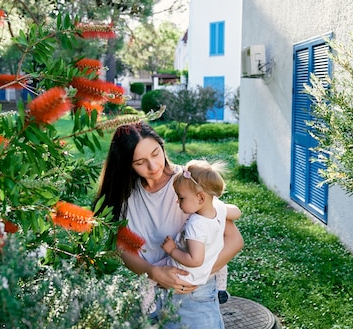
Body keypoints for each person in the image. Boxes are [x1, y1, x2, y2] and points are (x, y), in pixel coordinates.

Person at [93, 121, 244, 328]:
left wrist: (192, 277)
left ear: (162, 147)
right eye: (140, 162)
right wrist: (153, 273)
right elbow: (121, 247)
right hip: (149, 296)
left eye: (156, 154)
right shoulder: (123, 194)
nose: (153, 166)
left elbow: (234, 240)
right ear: (126, 164)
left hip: (192, 295)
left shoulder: (189, 183)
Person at [160, 160, 242, 303]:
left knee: (149, 277)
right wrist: (221, 208)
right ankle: (221, 288)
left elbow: (195, 260)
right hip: (210, 263)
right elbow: (237, 212)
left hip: (186, 274)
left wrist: (172, 250)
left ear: (201, 198)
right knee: (222, 264)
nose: (177, 202)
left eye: (181, 197)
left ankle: (150, 311)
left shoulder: (196, 225)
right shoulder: (217, 209)